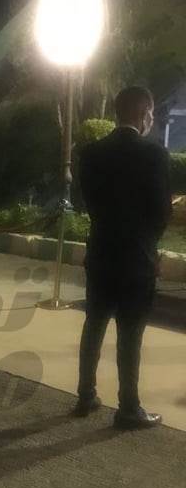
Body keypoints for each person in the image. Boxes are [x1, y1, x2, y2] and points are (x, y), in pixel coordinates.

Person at [73, 85, 172, 429]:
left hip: (101, 251)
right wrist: (150, 247)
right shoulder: (154, 154)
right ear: (144, 113)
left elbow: (85, 200)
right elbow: (161, 211)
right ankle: (128, 407)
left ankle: (85, 395)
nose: (151, 119)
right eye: (151, 113)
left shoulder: (91, 153)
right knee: (130, 335)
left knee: (94, 324)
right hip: (136, 259)